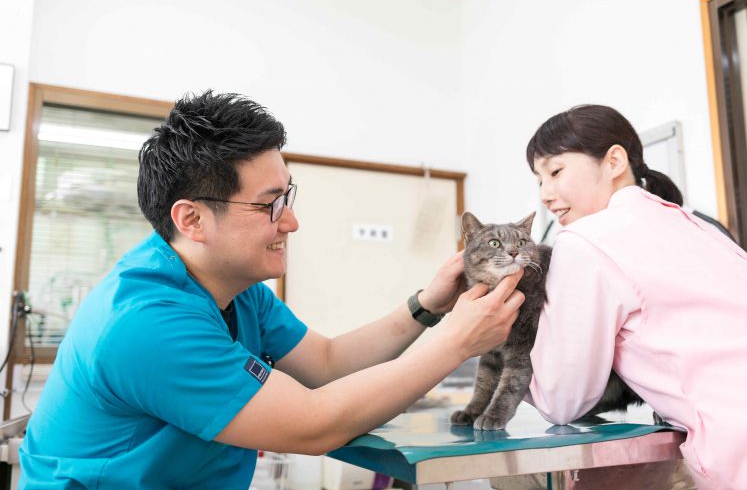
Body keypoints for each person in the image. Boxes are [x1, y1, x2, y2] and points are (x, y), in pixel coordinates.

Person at [19, 91, 524, 490]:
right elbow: (313, 424)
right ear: (191, 219)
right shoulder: (146, 321)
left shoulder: (236, 290)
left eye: (288, 197)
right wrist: (458, 340)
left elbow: (326, 363)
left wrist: (429, 305)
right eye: (269, 206)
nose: (293, 222)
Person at [524, 104, 747, 490]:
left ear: (615, 160)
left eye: (555, 171)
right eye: (539, 180)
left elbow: (561, 400)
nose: (546, 194)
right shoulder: (689, 222)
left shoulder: (585, 241)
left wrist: (487, 344)